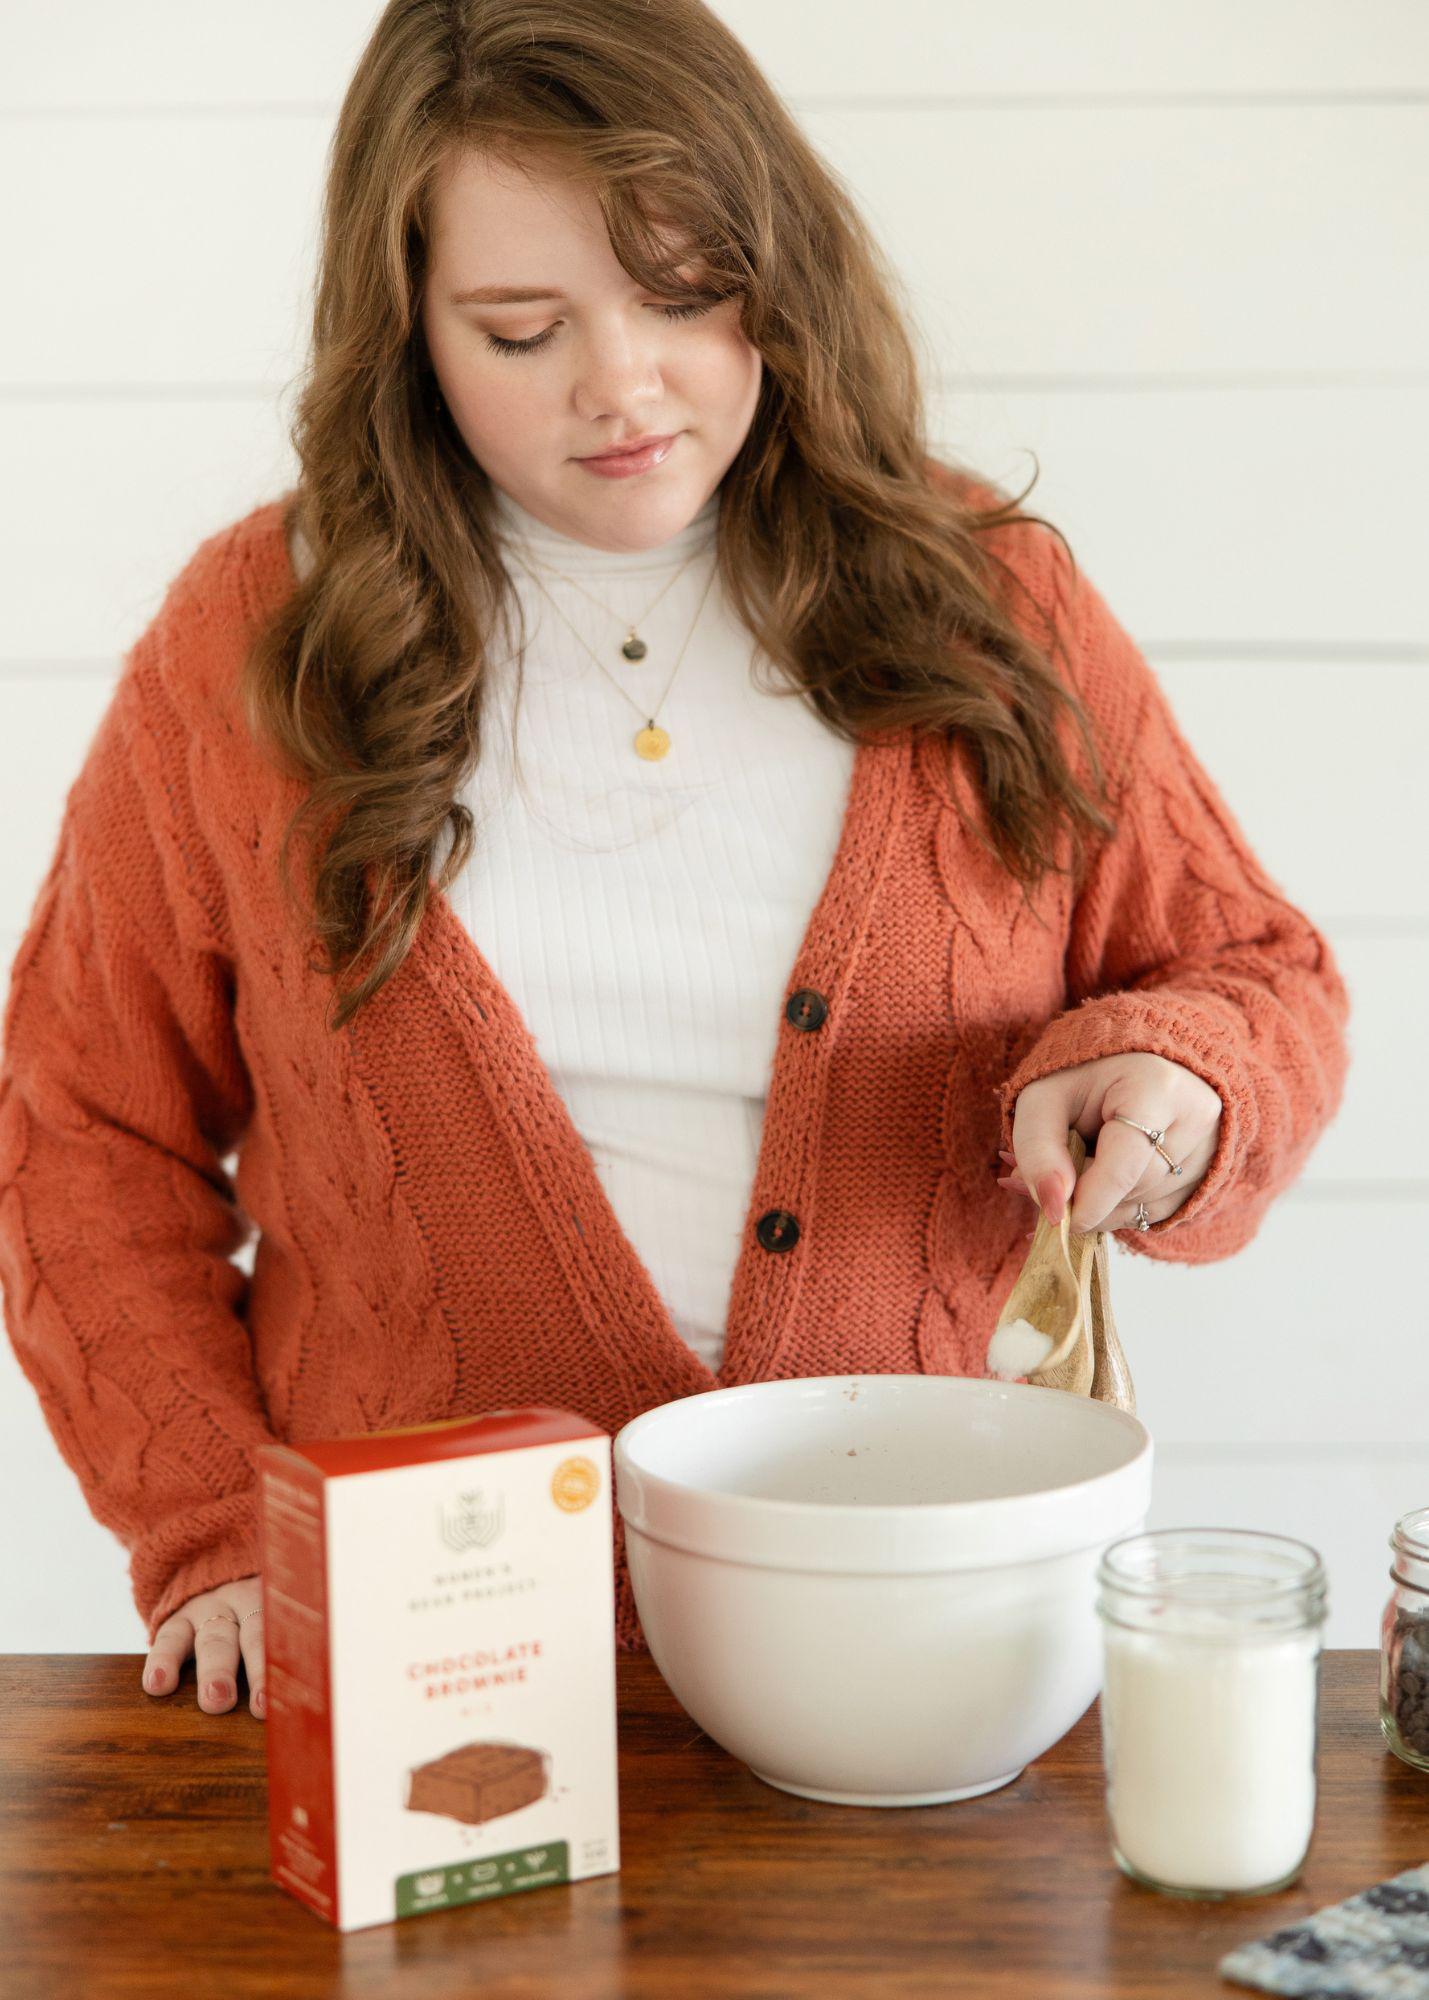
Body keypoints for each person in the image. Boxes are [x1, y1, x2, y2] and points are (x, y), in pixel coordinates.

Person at [0, 0, 1349, 1726]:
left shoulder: (988, 602)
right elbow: (81, 1131)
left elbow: (1256, 977)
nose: (619, 384)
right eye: (519, 327)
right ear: (404, 329)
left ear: (775, 272)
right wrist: (209, 1526)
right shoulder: (250, 642)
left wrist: (1178, 1078)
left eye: (685, 292)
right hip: (429, 1658)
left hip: (928, 1624)